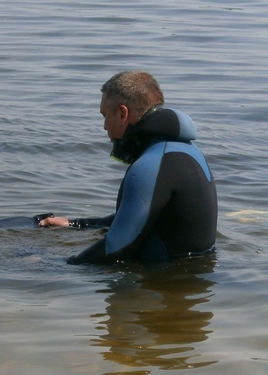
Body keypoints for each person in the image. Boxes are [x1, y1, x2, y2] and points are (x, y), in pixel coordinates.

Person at [40, 71, 217, 264]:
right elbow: (138, 217)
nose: (104, 126)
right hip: (195, 273)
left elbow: (116, 248)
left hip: (162, 277)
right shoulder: (189, 152)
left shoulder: (149, 167)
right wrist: (76, 224)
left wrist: (51, 263)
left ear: (122, 114)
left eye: (105, 116)